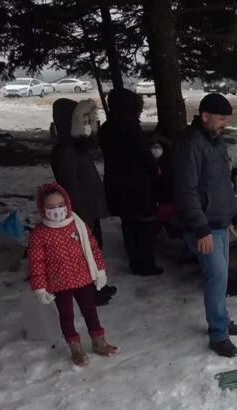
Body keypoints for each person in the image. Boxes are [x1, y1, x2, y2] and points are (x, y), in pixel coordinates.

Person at [173, 94, 237, 357]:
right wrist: (200, 229)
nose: (224, 124)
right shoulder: (191, 143)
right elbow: (186, 190)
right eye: (220, 118)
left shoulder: (216, 142)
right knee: (216, 277)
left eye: (226, 119)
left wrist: (235, 217)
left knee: (222, 276)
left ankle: (222, 319)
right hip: (203, 226)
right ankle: (218, 334)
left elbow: (222, 185)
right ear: (204, 116)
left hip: (219, 221)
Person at [28, 183, 118, 366]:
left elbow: (92, 248)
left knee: (90, 311)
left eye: (60, 205)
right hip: (59, 283)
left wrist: (100, 271)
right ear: (42, 209)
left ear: (67, 204)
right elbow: (36, 263)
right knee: (66, 315)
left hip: (82, 278)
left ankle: (99, 342)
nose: (57, 210)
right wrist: (40, 287)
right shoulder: (39, 234)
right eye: (51, 207)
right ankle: (75, 348)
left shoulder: (77, 225)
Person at [50, 98, 116, 305]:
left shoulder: (76, 146)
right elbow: (70, 186)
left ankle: (98, 284)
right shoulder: (64, 151)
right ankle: (90, 292)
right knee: (84, 253)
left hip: (89, 208)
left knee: (95, 248)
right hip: (80, 213)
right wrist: (79, 217)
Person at [98, 89, 162, 276]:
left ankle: (135, 260)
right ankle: (145, 263)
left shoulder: (107, 127)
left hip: (117, 183)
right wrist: (155, 169)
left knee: (129, 223)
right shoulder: (130, 128)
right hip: (137, 184)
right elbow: (144, 156)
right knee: (143, 224)